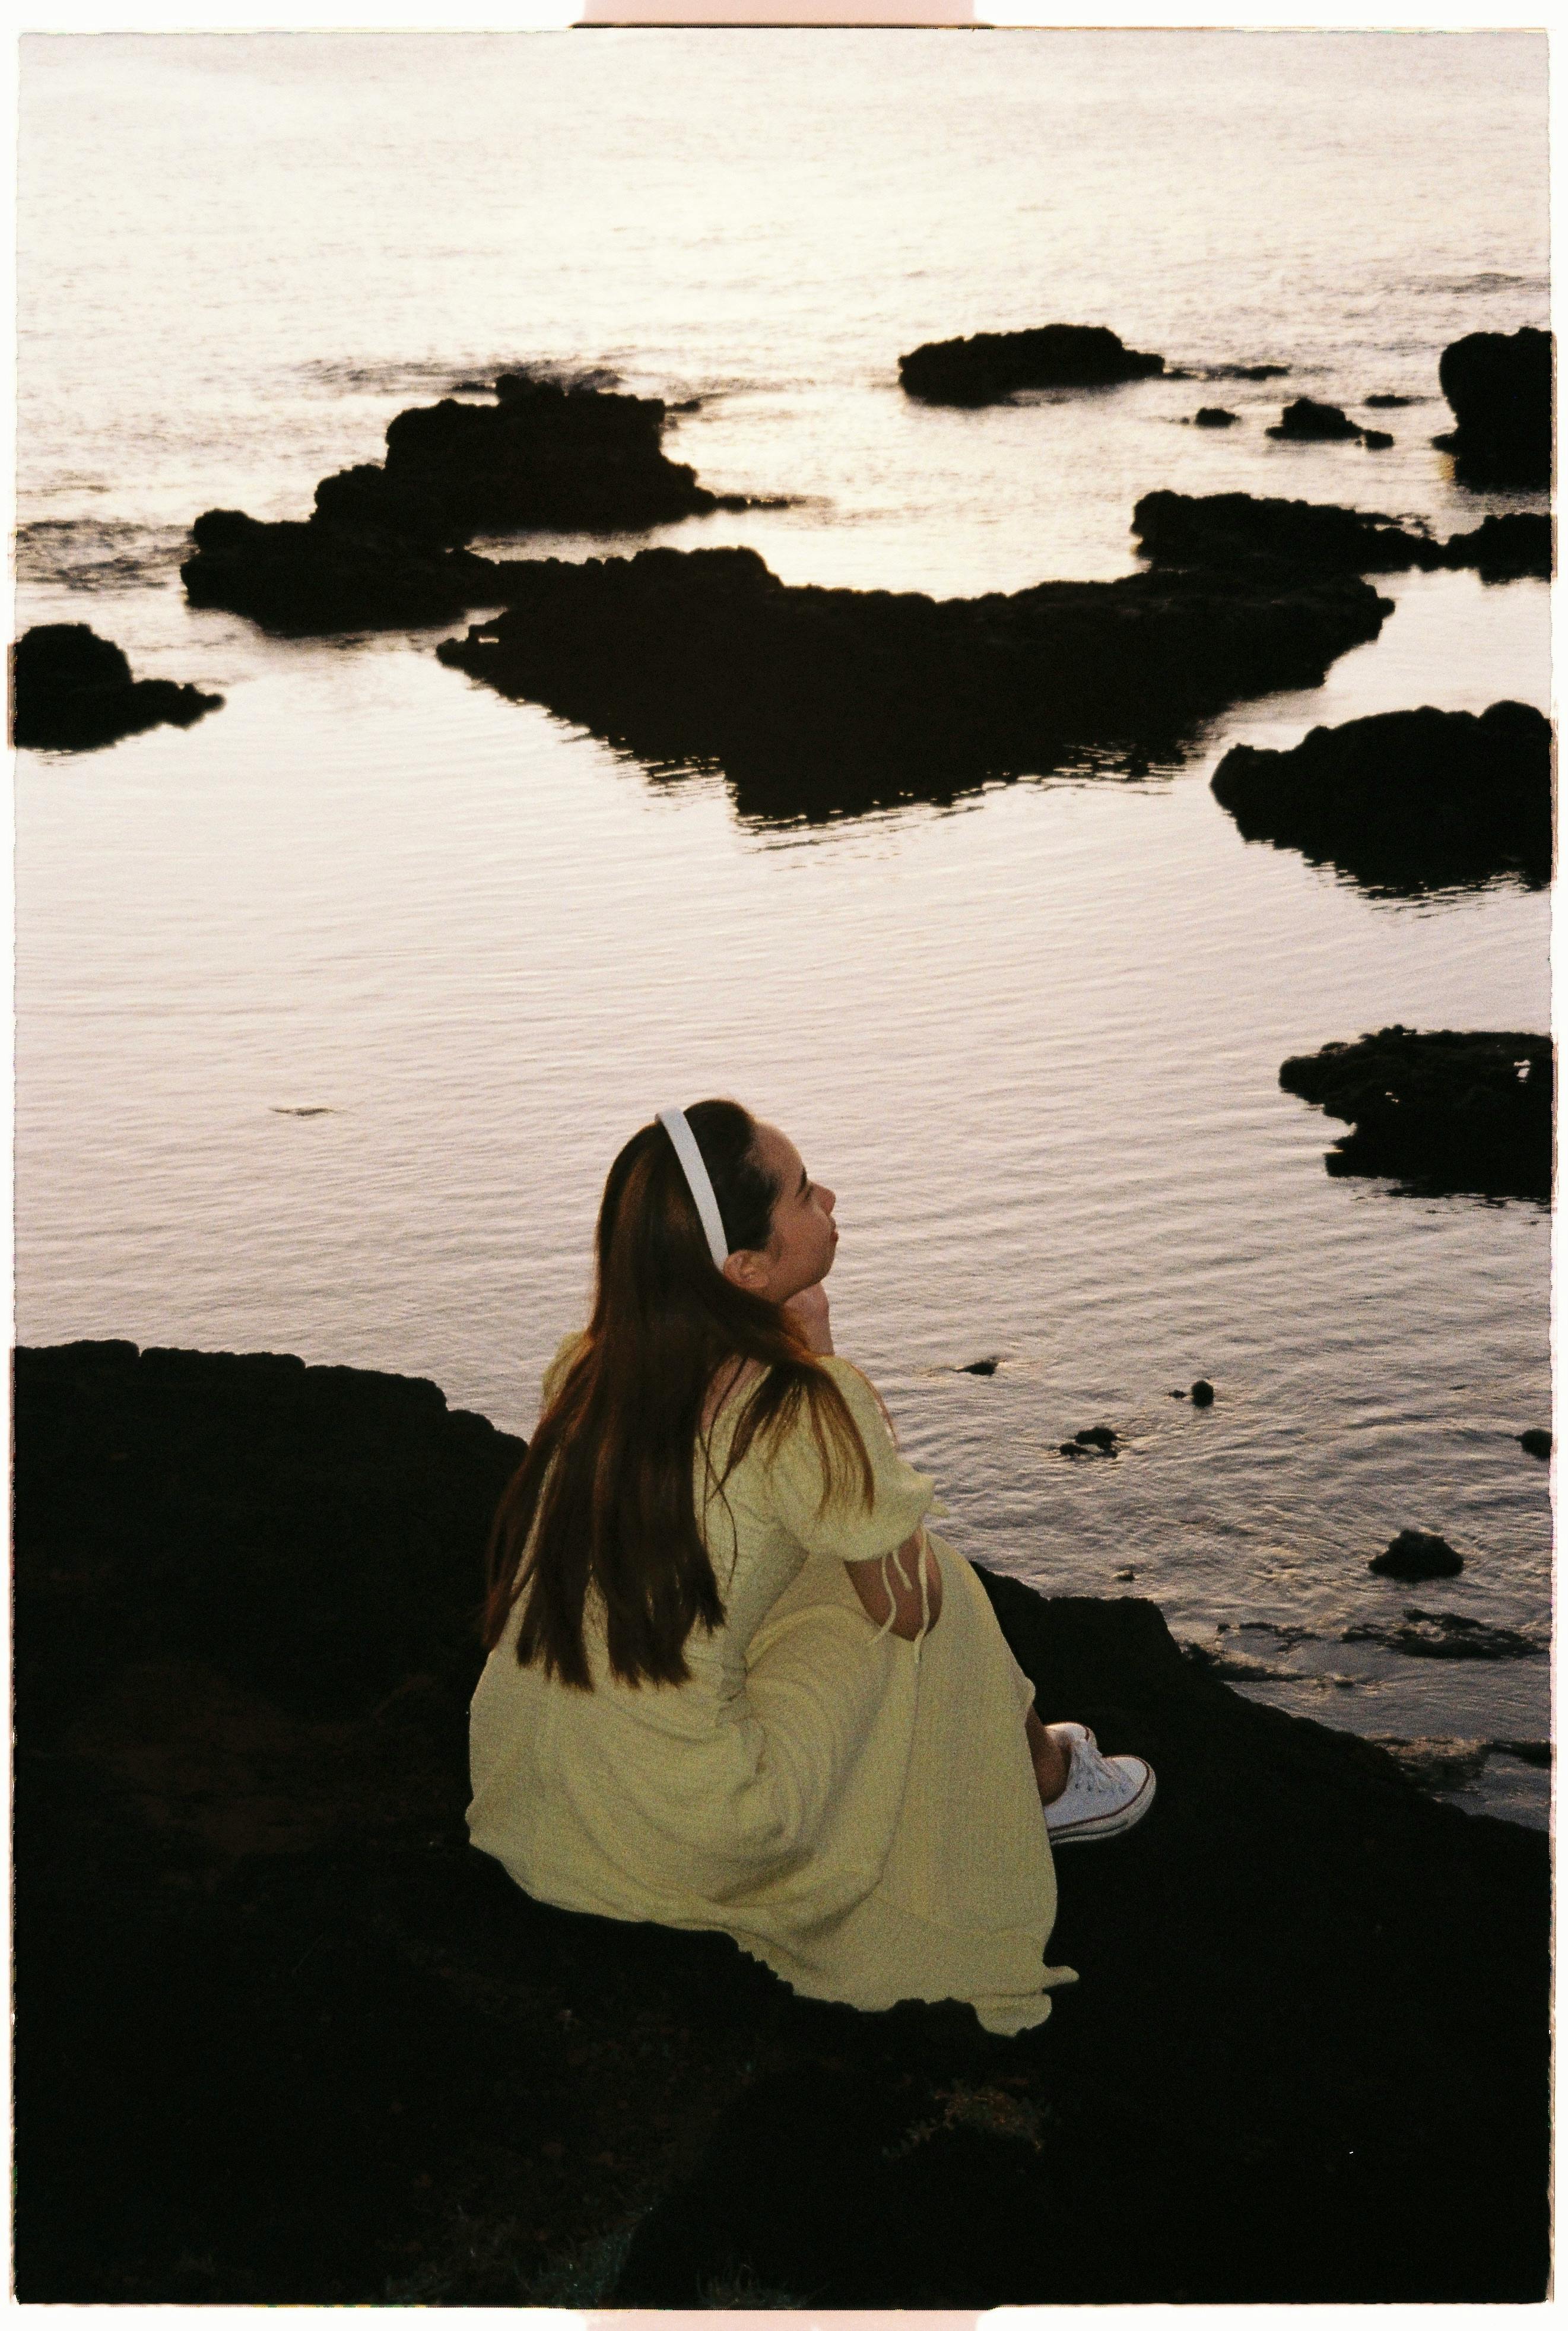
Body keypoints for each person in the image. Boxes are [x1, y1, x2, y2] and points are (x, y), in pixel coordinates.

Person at [467, 1099, 1154, 2038]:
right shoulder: (800, 1405)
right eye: (800, 1192)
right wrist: (824, 1364)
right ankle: (1041, 1783)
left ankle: (1030, 1768)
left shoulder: (585, 1372)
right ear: (746, 1268)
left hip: (542, 1801)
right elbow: (908, 1611)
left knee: (818, 1559)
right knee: (934, 1576)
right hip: (694, 1829)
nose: (828, 1196)